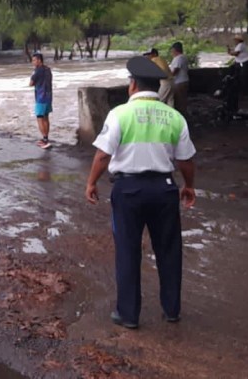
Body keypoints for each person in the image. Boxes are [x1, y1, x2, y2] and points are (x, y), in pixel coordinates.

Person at [85, 56, 197, 329]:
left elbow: (102, 155)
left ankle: (129, 314)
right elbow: (185, 160)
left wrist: (91, 183)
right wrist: (189, 185)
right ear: (157, 87)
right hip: (164, 189)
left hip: (128, 190)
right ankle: (171, 310)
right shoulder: (174, 117)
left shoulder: (119, 114)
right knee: (169, 250)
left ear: (132, 84)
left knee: (128, 250)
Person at [29, 51, 53, 149]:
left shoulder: (38, 70)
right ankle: (46, 139)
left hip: (40, 97)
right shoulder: (48, 69)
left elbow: (31, 83)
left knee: (39, 118)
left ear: (39, 60)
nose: (33, 62)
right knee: (46, 118)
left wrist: (33, 75)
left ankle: (45, 141)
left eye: (34, 60)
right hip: (48, 96)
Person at [169, 42, 189, 117]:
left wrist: (168, 76)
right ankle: (183, 115)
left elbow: (175, 70)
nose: (171, 52)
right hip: (182, 81)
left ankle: (182, 116)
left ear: (175, 50)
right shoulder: (183, 57)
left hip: (179, 82)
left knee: (180, 101)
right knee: (182, 100)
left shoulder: (179, 58)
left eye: (172, 50)